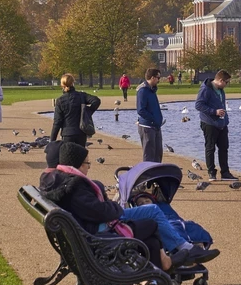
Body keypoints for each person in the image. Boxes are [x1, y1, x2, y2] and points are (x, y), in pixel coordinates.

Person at [39, 142, 219, 269]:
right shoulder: (75, 185)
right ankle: (176, 256)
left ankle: (162, 270)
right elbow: (99, 212)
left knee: (151, 220)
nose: (89, 167)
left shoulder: (61, 182)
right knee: (153, 216)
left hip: (85, 231)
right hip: (96, 234)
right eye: (87, 163)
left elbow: (92, 208)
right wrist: (116, 207)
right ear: (76, 165)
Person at [195, 69, 237, 181]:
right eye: (226, 82)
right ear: (221, 80)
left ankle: (225, 173)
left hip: (222, 123)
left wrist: (225, 119)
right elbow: (198, 105)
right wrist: (214, 112)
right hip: (209, 123)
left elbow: (221, 104)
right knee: (210, 148)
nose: (227, 85)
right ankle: (211, 173)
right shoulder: (205, 89)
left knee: (224, 148)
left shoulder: (221, 90)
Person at [51, 73, 101, 146]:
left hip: (67, 133)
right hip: (81, 132)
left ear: (62, 85)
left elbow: (57, 122)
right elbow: (96, 100)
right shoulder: (81, 96)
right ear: (73, 83)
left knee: (68, 156)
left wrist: (52, 141)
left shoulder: (60, 100)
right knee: (81, 156)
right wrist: (88, 112)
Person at [136, 68, 164, 163]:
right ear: (152, 78)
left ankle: (157, 175)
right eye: (158, 78)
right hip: (147, 127)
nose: (159, 80)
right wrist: (153, 120)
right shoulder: (143, 91)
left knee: (158, 153)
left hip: (155, 126)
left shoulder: (152, 90)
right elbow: (141, 110)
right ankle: (148, 175)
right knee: (149, 155)